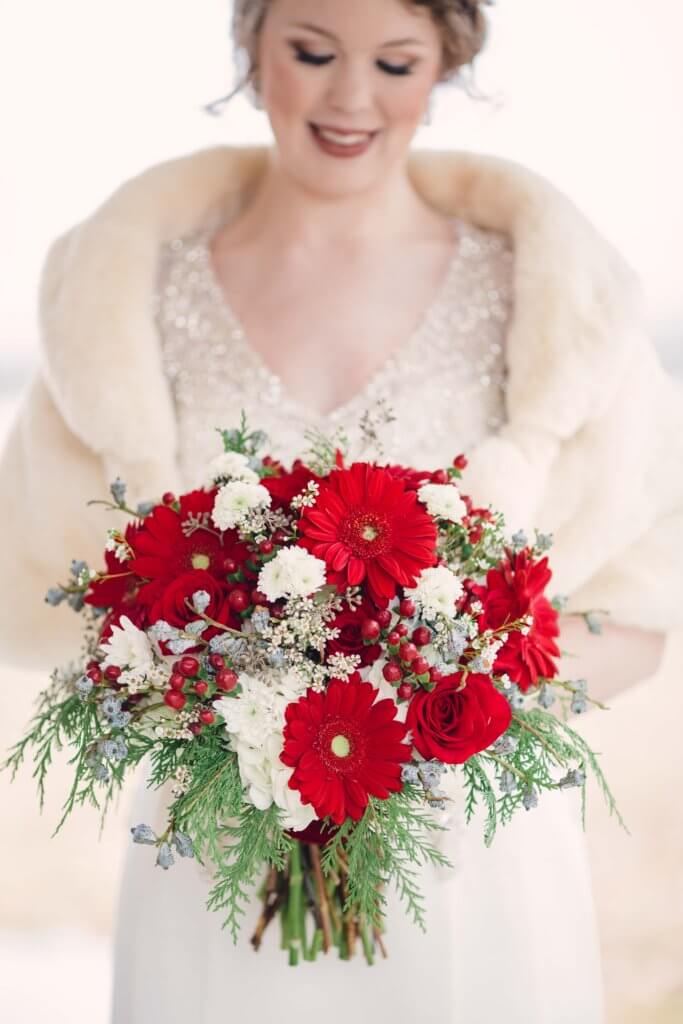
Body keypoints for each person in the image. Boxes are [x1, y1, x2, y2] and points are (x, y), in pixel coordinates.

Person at [0, 0, 681, 1021]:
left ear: (447, 63)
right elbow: (54, 584)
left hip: (468, 852)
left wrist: (435, 706)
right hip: (217, 848)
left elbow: (639, 605)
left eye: (395, 63)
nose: (351, 97)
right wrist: (220, 699)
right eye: (311, 52)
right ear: (250, 45)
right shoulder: (127, 291)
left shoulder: (545, 295)